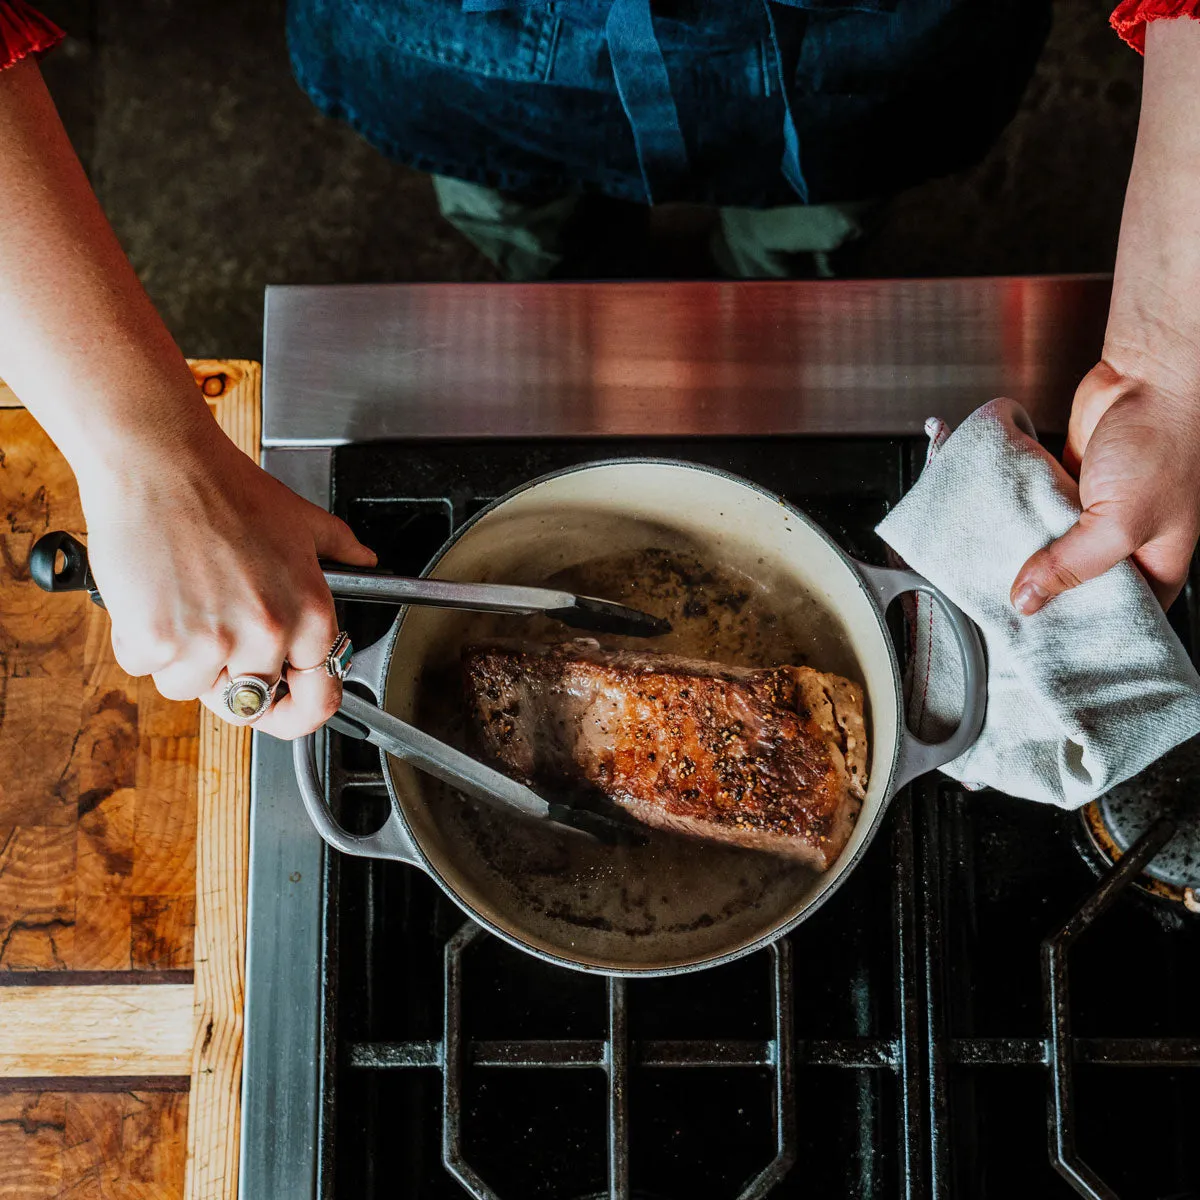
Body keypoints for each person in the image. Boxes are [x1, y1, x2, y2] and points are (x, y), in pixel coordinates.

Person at [1, 0, 1199, 740]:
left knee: (808, 233)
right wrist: (142, 451)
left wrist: (1171, 359)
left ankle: (768, 290)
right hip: (463, 50)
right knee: (526, 227)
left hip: (857, 60)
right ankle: (557, 275)